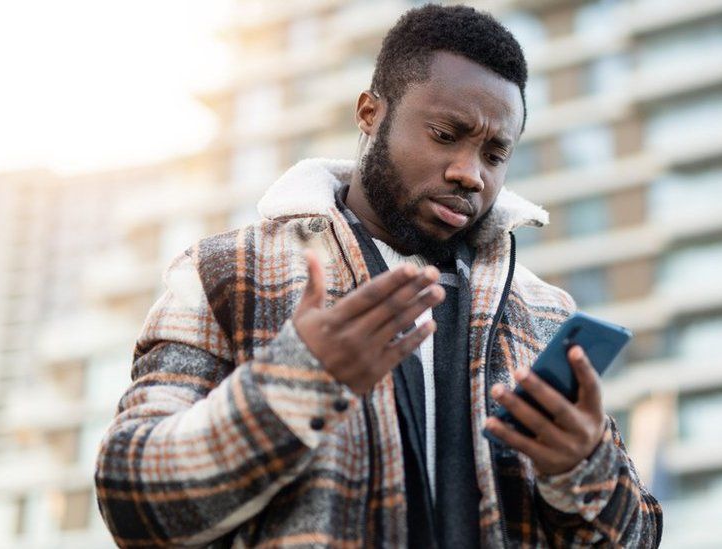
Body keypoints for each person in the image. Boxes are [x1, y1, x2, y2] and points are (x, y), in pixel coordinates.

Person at [95, 5, 662, 547]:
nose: (469, 174)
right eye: (445, 134)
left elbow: (637, 534)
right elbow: (132, 501)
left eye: (494, 154)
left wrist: (583, 468)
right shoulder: (227, 271)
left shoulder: (544, 312)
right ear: (370, 112)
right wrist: (293, 388)